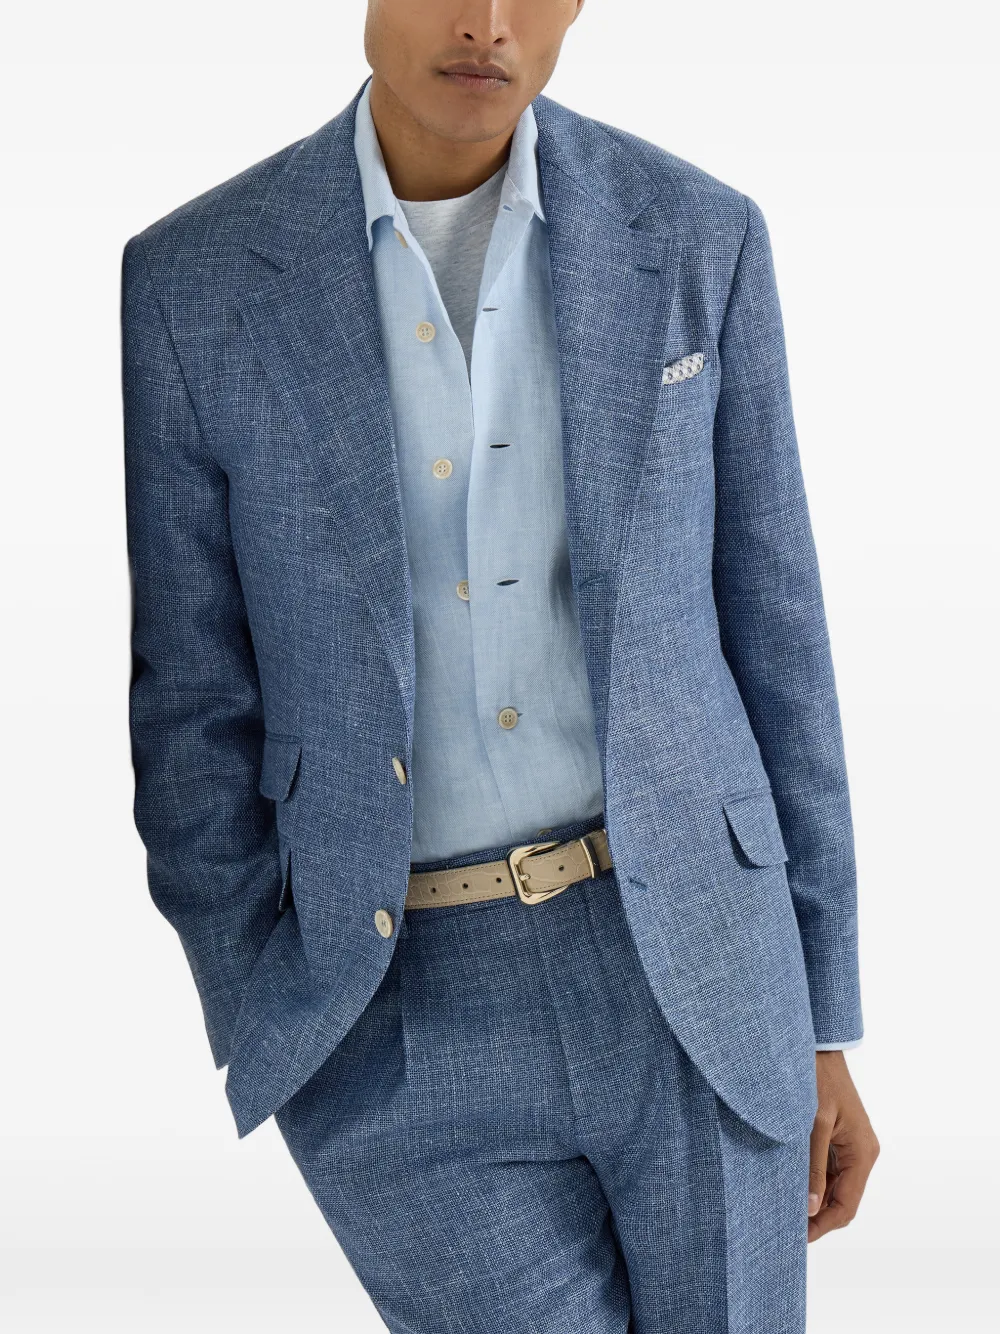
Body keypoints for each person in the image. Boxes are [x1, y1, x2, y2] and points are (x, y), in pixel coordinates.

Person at [121, 1, 879, 1329]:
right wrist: (273, 1011)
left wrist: (822, 1018)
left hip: (701, 973)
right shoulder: (193, 281)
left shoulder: (699, 235)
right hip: (396, 1015)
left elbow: (779, 636)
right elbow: (191, 694)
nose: (485, 23)